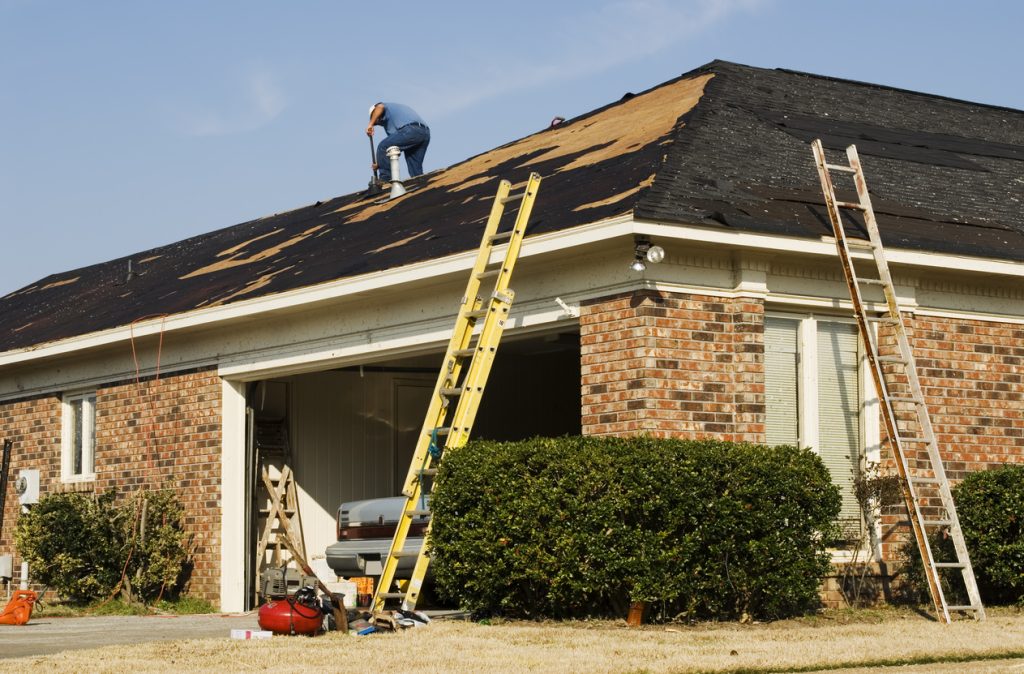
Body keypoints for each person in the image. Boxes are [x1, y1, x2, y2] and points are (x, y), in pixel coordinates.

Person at [366, 102, 430, 182]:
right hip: (424, 133)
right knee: (415, 172)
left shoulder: (383, 107)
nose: (378, 123)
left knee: (383, 146)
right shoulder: (391, 122)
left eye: (376, 119)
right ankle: (421, 185)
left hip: (411, 130)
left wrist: (370, 124)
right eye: (376, 123)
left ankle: (385, 180)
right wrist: (381, 163)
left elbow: (380, 107)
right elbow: (393, 150)